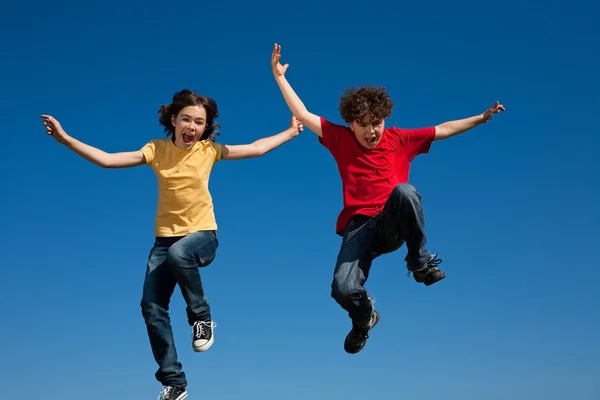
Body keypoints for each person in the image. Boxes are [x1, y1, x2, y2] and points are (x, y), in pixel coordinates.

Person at [41, 88, 303, 400]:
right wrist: (65, 139)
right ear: (173, 120)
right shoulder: (156, 150)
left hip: (203, 236)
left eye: (199, 122)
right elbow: (109, 160)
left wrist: (289, 132)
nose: (192, 127)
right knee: (151, 306)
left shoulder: (209, 151)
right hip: (164, 242)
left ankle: (202, 318)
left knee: (181, 254)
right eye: (187, 120)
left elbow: (256, 148)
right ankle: (174, 383)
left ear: (206, 127)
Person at [270, 43, 505, 354]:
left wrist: (481, 117)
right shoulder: (338, 138)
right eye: (363, 125)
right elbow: (302, 113)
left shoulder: (399, 138)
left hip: (391, 222)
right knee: (342, 288)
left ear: (384, 119)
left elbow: (443, 129)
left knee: (405, 191)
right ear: (350, 123)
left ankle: (419, 261)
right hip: (358, 228)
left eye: (376, 123)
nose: (371, 131)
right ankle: (364, 319)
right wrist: (279, 76)